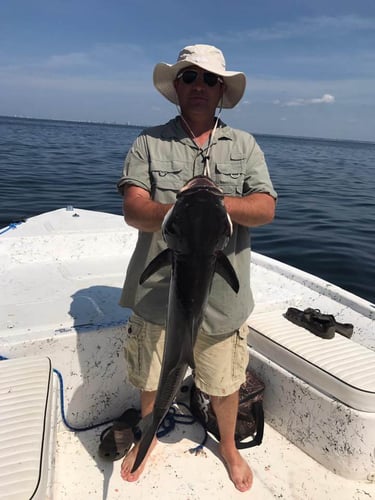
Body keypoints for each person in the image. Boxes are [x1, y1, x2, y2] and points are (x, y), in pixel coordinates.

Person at [116, 44, 277, 492]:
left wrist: (211, 203)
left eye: (209, 79)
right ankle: (147, 437)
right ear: (177, 87)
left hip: (223, 299)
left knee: (225, 382)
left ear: (221, 90)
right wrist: (180, 211)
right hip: (157, 294)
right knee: (154, 374)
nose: (199, 86)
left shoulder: (243, 146)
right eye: (189, 77)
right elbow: (133, 208)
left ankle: (228, 445)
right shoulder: (149, 142)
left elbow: (265, 208)